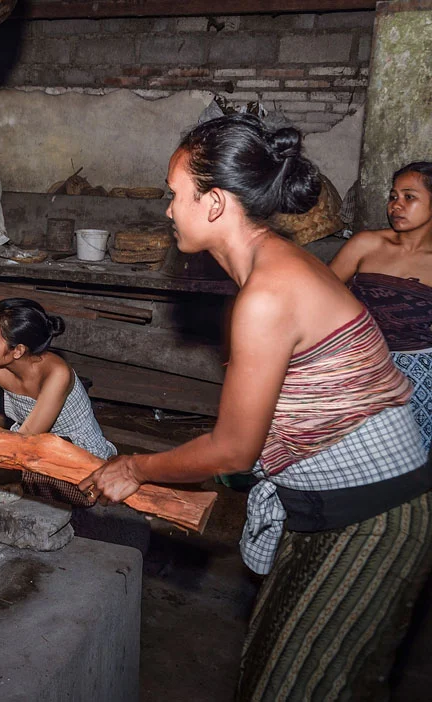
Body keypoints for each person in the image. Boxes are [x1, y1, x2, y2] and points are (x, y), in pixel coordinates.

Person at [80, 114, 432, 701]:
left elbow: (235, 448)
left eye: (176, 196)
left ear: (214, 202)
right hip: (327, 507)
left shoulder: (269, 292)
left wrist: (133, 467)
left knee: (301, 687)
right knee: (274, 669)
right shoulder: (271, 272)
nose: (168, 211)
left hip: (374, 515)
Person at [330, 162, 432, 453]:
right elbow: (321, 297)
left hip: (417, 370)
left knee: (403, 457)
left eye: (409, 197)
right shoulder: (367, 244)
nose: (396, 205)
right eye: (393, 196)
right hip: (357, 361)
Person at [0, 297, 115, 460]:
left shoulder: (57, 373)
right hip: (24, 445)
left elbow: (24, 443)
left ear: (18, 350)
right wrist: (1, 432)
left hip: (77, 450)